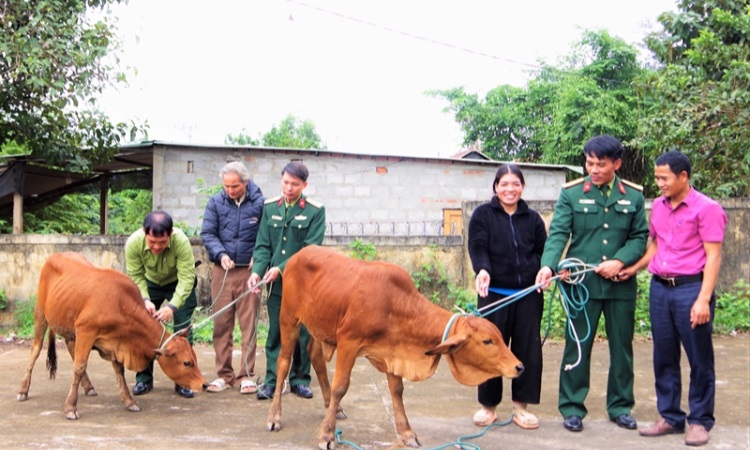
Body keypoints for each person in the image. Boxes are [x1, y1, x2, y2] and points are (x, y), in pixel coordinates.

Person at [535, 135, 648, 432]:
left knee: (622, 347)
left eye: (601, 164)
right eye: (589, 162)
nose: (593, 169)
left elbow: (639, 237)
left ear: (617, 164)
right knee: (577, 345)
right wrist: (549, 265)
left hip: (620, 284)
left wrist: (620, 260)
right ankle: (572, 407)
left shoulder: (633, 196)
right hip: (581, 285)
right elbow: (559, 232)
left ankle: (621, 406)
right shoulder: (572, 194)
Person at [618, 150, 727, 447]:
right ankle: (670, 416)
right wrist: (633, 269)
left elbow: (714, 257)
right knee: (663, 356)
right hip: (660, 289)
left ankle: (700, 421)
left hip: (691, 289)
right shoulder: (660, 208)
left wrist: (703, 299)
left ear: (683, 177)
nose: (660, 183)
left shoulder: (708, 209)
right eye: (657, 178)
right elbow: (655, 245)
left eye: (664, 178)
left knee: (699, 358)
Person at [468, 164, 547, 430]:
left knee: (527, 351)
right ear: (495, 187)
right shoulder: (482, 215)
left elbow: (542, 251)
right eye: (504, 184)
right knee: (489, 350)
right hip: (494, 296)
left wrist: (543, 270)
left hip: (527, 295)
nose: (510, 189)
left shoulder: (533, 218)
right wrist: (483, 270)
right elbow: (478, 247)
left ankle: (520, 408)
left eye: (515, 184)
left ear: (522, 187)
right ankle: (488, 407)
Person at [247, 161, 326, 400]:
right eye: (285, 182)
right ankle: (272, 381)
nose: (289, 188)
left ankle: (300, 380)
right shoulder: (270, 207)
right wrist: (257, 271)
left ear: (304, 185)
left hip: (303, 284)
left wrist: (280, 269)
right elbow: (262, 245)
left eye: (294, 184)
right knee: (275, 333)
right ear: (280, 180)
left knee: (302, 333)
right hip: (276, 286)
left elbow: (309, 249)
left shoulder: (314, 211)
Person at [201, 161, 265, 395]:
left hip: (249, 271)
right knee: (222, 324)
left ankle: (246, 375)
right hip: (223, 270)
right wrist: (220, 254)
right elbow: (208, 233)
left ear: (245, 183)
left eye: (235, 186)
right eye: (226, 186)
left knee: (249, 324)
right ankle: (223, 375)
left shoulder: (260, 203)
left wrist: (258, 258)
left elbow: (265, 235)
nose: (230, 190)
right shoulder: (216, 202)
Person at [124, 210, 198, 398]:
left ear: (170, 234)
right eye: (152, 242)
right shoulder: (133, 243)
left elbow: (187, 278)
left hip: (178, 284)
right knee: (144, 330)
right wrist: (145, 300)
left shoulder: (180, 241)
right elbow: (135, 276)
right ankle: (143, 379)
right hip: (149, 284)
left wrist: (172, 307)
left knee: (183, 331)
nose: (157, 247)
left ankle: (183, 381)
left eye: (162, 243)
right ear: (144, 232)